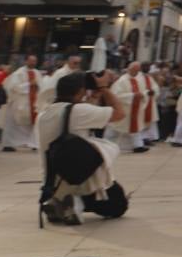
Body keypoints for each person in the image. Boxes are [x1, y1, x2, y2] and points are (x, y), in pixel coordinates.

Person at [35, 70, 123, 225]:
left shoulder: (44, 114)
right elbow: (119, 114)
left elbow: (76, 121)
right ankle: (75, 203)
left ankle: (57, 201)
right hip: (80, 180)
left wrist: (91, 99)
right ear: (80, 91)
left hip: (53, 181)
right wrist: (103, 88)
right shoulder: (79, 111)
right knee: (118, 205)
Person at [0, 54, 44, 152]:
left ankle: (33, 144)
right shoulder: (18, 73)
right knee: (12, 124)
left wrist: (37, 86)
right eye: (31, 61)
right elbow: (13, 87)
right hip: (19, 102)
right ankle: (9, 144)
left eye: (34, 61)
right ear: (26, 61)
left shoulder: (37, 72)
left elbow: (42, 86)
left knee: (33, 124)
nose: (33, 63)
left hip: (33, 102)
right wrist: (29, 84)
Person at [108, 62, 156, 154]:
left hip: (136, 108)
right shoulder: (122, 81)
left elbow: (143, 92)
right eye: (135, 70)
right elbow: (116, 95)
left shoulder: (139, 80)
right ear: (129, 69)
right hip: (125, 108)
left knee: (135, 127)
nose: (136, 72)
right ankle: (109, 144)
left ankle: (138, 146)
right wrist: (133, 95)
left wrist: (146, 93)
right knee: (117, 128)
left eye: (138, 70)